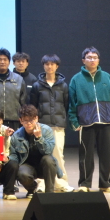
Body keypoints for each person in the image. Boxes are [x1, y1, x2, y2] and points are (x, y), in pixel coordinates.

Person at [68, 47, 110, 193]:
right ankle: (84, 183)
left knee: (107, 154)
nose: (92, 60)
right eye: (89, 57)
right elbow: (72, 103)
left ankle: (106, 183)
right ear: (83, 60)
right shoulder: (76, 79)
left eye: (95, 57)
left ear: (99, 60)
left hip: (106, 121)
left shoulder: (107, 77)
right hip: (86, 123)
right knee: (86, 155)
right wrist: (74, 122)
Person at [31, 54, 73, 191]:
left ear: (57, 66)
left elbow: (66, 105)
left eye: (52, 64)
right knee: (42, 155)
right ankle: (42, 184)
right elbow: (33, 106)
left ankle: (61, 183)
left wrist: (61, 119)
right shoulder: (37, 85)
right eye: (47, 64)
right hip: (42, 126)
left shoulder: (63, 86)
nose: (49, 67)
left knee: (58, 155)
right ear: (43, 66)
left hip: (58, 125)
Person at [11, 105, 58, 198]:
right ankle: (32, 188)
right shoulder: (16, 136)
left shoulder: (46, 130)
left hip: (44, 165)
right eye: (25, 120)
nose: (29, 123)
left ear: (36, 118)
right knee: (21, 173)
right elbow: (14, 157)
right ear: (21, 121)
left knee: (48, 160)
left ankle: (49, 193)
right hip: (27, 165)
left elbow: (48, 151)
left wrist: (39, 138)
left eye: (31, 120)